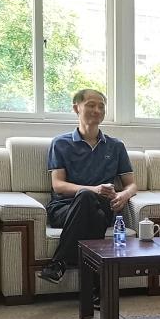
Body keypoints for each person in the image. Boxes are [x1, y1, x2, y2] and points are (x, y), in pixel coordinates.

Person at [39, 89, 136, 294]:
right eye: (91, 105)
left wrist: (123, 195)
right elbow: (58, 185)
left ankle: (58, 263)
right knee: (86, 199)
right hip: (64, 209)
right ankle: (95, 289)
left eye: (101, 106)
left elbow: (131, 185)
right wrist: (93, 190)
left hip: (102, 207)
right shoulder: (60, 143)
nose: (97, 110)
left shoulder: (116, 146)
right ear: (76, 108)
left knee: (93, 209)